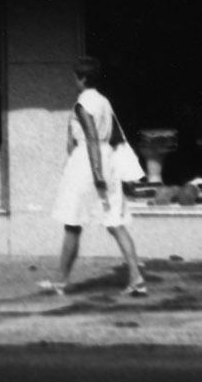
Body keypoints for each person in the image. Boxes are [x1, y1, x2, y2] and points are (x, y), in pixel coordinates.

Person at [39, 55, 147, 298]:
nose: (75, 80)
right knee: (115, 222)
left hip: (86, 165)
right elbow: (115, 135)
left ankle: (61, 281)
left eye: (76, 76)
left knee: (72, 223)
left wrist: (97, 174)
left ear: (82, 78)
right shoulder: (104, 102)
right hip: (107, 160)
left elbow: (90, 140)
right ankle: (136, 277)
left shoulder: (82, 103)